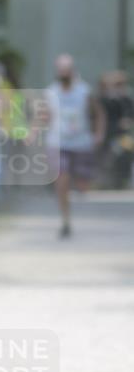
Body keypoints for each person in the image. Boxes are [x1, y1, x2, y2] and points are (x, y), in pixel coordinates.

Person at [45, 54, 105, 238]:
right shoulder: (50, 92)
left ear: (72, 70)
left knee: (83, 185)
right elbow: (45, 116)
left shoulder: (84, 91)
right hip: (58, 142)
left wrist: (98, 134)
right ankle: (66, 219)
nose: (63, 72)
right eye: (60, 69)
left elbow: (99, 113)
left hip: (81, 143)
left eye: (66, 69)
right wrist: (33, 132)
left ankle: (77, 202)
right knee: (62, 180)